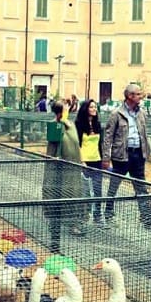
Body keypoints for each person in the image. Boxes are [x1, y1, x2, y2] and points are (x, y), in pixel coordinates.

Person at [42, 100, 89, 252]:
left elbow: (76, 144)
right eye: (66, 107)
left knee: (74, 193)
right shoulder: (55, 125)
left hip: (73, 167)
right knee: (57, 194)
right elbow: (54, 145)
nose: (69, 108)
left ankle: (73, 224)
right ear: (60, 111)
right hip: (58, 170)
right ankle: (55, 225)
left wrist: (82, 161)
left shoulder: (72, 125)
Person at [101, 83, 150, 227]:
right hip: (121, 155)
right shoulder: (116, 114)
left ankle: (145, 217)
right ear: (130, 96)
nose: (141, 96)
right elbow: (108, 137)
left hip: (138, 155)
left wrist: (146, 152)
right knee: (114, 186)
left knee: (141, 186)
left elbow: (144, 134)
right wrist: (106, 157)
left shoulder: (141, 113)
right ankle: (109, 214)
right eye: (138, 94)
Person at [74, 99, 103, 224]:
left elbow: (100, 144)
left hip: (97, 160)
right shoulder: (79, 124)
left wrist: (105, 159)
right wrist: (81, 161)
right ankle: (83, 216)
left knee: (98, 189)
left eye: (95, 107)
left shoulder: (98, 125)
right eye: (91, 107)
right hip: (84, 161)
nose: (94, 109)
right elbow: (78, 144)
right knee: (84, 191)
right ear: (86, 109)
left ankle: (97, 216)